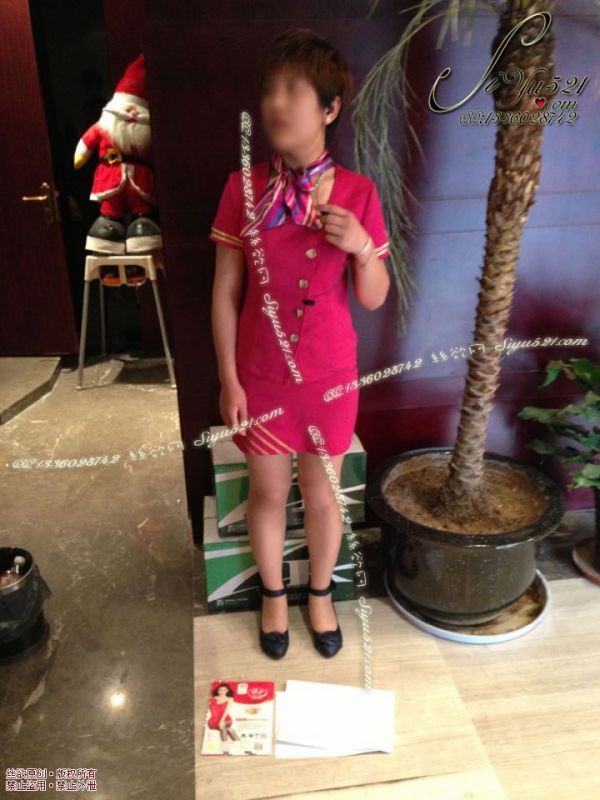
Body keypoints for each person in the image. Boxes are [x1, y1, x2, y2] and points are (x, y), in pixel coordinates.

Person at [209, 28, 391, 660]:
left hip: (330, 376)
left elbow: (374, 297)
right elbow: (224, 294)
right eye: (270, 90)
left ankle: (319, 594)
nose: (276, 104)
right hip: (261, 376)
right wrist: (229, 379)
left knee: (322, 495)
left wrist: (361, 246)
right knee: (265, 494)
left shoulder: (360, 193)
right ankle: (272, 595)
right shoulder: (243, 188)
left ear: (330, 108)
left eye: (294, 90)